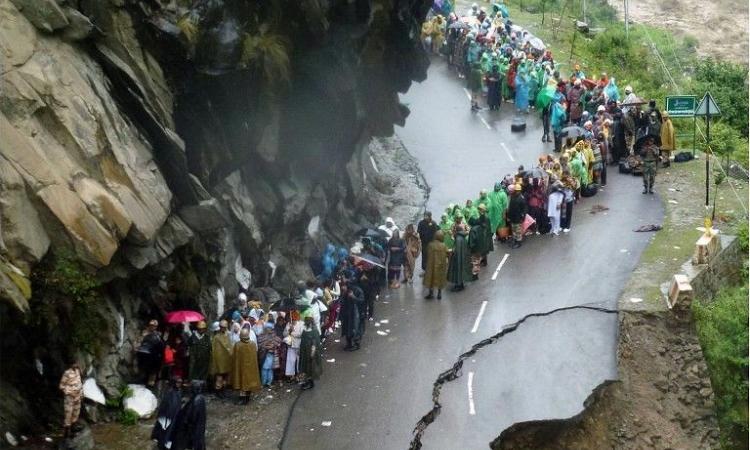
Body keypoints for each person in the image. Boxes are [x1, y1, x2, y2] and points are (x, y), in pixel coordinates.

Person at [172, 381, 206, 450]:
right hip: (198, 426)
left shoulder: (197, 400)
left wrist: (185, 421)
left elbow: (191, 416)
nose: (190, 390)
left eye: (192, 388)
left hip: (193, 427)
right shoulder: (200, 398)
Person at [231, 327, 261, 405]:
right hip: (250, 368)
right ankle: (247, 398)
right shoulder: (253, 344)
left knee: (242, 383)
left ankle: (243, 399)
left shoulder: (238, 345)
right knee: (249, 382)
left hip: (242, 368)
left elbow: (234, 357)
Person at [151, 377, 182, 449]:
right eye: (178, 382)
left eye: (180, 383)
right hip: (167, 417)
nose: (179, 384)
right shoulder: (169, 393)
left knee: (170, 434)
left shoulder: (178, 392)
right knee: (164, 433)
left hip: (174, 417)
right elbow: (164, 408)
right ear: (174, 382)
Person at [59, 359, 83, 440]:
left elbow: (79, 382)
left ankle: (73, 429)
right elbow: (61, 386)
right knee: (68, 413)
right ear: (71, 364)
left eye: (76, 363)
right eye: (75, 363)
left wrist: (81, 393)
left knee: (76, 412)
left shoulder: (77, 371)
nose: (76, 365)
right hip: (70, 397)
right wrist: (69, 392)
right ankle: (66, 433)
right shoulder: (67, 373)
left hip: (78, 396)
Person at [136, 319, 164, 387]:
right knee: (142, 367)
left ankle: (150, 382)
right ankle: (141, 379)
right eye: (151, 325)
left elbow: (160, 345)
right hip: (143, 352)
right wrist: (137, 347)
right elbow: (139, 341)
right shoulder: (145, 333)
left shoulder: (158, 335)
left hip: (152, 354)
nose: (152, 327)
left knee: (152, 369)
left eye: (154, 326)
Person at [448, 215, 472, 291]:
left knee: (458, 272)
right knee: (461, 271)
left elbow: (457, 251)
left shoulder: (458, 239)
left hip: (458, 259)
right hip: (463, 258)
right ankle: (460, 284)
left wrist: (452, 252)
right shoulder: (462, 238)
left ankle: (459, 285)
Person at [209, 320, 232, 398]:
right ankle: (218, 391)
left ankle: (223, 390)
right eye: (222, 327)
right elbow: (214, 349)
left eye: (224, 327)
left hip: (226, 360)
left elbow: (230, 346)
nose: (223, 329)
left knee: (225, 377)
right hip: (219, 361)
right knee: (219, 377)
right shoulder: (216, 337)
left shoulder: (228, 335)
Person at [298, 316, 322, 390]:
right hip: (304, 352)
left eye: (307, 322)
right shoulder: (305, 330)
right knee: (305, 367)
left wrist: (312, 353)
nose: (306, 323)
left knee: (311, 368)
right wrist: (300, 350)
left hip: (310, 353)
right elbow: (302, 341)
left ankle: (311, 383)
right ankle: (307, 381)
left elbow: (316, 343)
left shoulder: (314, 331)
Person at [423, 230, 449, 299]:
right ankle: (439, 293)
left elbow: (427, 253)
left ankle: (431, 293)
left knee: (430, 278)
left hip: (431, 265)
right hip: (441, 265)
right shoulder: (443, 245)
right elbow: (447, 253)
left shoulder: (430, 245)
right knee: (440, 278)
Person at [340, 281, 363, 351]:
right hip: (347, 314)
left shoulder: (358, 290)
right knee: (347, 329)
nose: (342, 287)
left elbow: (361, 301)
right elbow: (343, 302)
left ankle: (356, 344)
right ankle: (349, 343)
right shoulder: (345, 292)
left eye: (344, 286)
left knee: (355, 328)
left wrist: (353, 297)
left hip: (355, 314)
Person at [257, 323, 280, 387]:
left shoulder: (274, 335)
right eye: (268, 328)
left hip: (271, 354)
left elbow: (278, 342)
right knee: (264, 368)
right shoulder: (261, 335)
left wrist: (273, 345)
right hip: (264, 355)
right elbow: (259, 344)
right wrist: (265, 346)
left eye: (271, 328)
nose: (270, 330)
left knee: (270, 368)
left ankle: (269, 382)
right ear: (265, 328)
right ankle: (264, 382)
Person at [284, 311, 303, 380]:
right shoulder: (288, 324)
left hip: (298, 345)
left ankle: (299, 374)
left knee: (299, 360)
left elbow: (301, 334)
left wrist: (292, 333)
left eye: (294, 319)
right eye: (292, 319)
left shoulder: (301, 324)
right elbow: (284, 334)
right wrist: (289, 330)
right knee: (291, 360)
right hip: (291, 345)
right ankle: (291, 375)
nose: (293, 320)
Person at [506, 184, 526, 248]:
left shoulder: (522, 199)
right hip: (513, 217)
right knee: (513, 230)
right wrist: (508, 216)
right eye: (516, 190)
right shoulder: (513, 197)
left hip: (518, 218)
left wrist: (522, 217)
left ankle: (519, 242)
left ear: (520, 191)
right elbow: (510, 207)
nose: (517, 192)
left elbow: (524, 209)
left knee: (518, 231)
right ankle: (515, 240)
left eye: (518, 191)